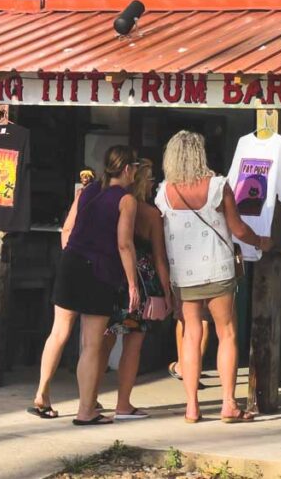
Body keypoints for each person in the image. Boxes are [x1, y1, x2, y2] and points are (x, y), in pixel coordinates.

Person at [156, 131, 272, 423]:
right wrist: (261, 242)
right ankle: (228, 405)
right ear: (200, 154)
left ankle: (192, 407)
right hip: (218, 271)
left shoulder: (164, 192)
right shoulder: (219, 186)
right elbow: (239, 229)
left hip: (184, 274)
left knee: (191, 337)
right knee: (226, 334)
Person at [29, 146, 141, 426]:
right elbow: (124, 244)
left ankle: (42, 394)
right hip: (99, 270)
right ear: (127, 168)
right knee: (91, 344)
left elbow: (66, 230)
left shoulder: (87, 191)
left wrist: (74, 254)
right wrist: (132, 283)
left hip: (71, 264)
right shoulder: (126, 200)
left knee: (58, 332)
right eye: (135, 168)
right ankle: (86, 410)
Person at [99, 159, 173, 420]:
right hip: (140, 283)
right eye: (152, 179)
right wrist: (166, 290)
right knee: (133, 344)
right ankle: (123, 403)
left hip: (111, 278)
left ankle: (91, 397)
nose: (154, 184)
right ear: (144, 181)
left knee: (103, 340)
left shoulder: (113, 204)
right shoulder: (151, 214)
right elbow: (159, 257)